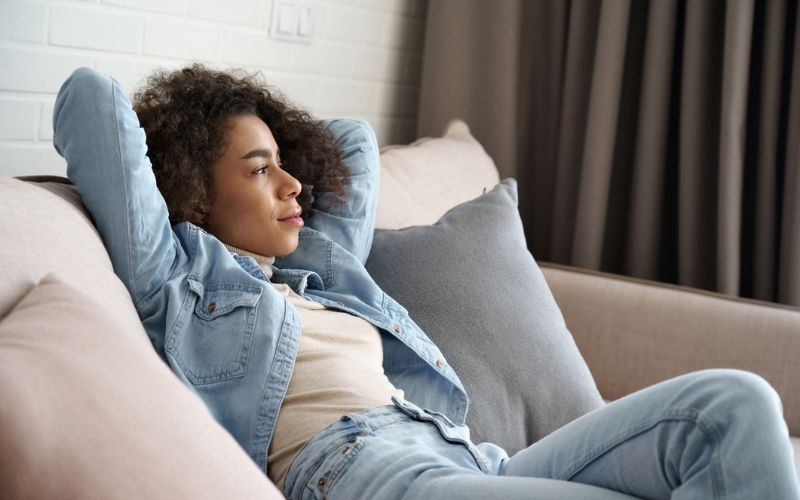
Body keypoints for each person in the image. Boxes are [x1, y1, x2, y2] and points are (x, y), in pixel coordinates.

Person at [53, 65, 799, 500]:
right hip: (360, 471)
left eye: (284, 162)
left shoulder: (321, 267)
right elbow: (90, 101)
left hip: (464, 456)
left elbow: (352, 140)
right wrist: (185, 139)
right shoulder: (175, 280)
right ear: (191, 193)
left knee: (731, 405)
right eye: (258, 169)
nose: (290, 184)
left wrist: (267, 140)